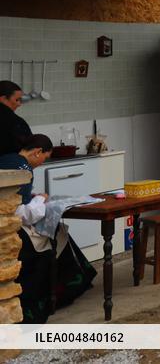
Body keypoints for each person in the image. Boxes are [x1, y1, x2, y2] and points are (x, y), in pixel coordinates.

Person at [0, 134, 96, 323]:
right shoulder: (23, 168)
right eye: (44, 158)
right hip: (12, 227)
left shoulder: (6, 158)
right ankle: (61, 292)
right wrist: (40, 199)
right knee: (56, 234)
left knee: (57, 232)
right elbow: (24, 212)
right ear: (37, 152)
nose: (41, 163)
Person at [0, 80, 32, 155]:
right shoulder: (15, 121)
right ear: (3, 99)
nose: (19, 104)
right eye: (17, 100)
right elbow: (29, 145)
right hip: (9, 163)